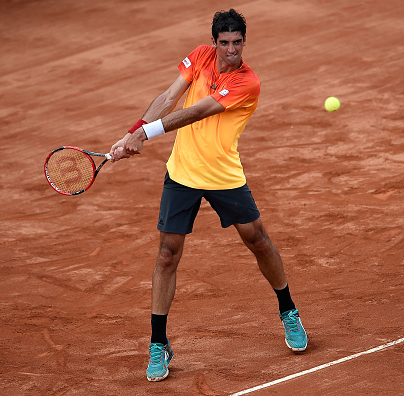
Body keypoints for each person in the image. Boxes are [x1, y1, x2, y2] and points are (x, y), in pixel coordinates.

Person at [109, 9, 308, 382]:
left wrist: (146, 135)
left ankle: (288, 310)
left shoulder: (248, 82)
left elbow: (199, 111)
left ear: (244, 43)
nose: (231, 50)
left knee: (258, 240)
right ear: (214, 41)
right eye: (224, 42)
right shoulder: (200, 56)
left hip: (222, 175)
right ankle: (157, 343)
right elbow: (169, 97)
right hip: (182, 172)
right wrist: (131, 132)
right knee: (167, 254)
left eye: (237, 43)